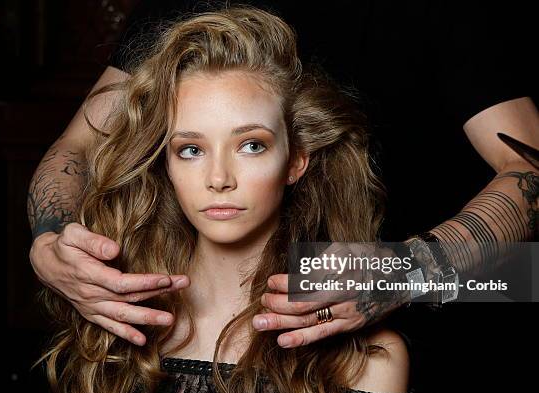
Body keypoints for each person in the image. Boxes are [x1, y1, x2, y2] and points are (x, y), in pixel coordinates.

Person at [28, 0, 538, 350]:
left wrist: (410, 270)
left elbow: (532, 165)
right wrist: (50, 238)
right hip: (241, 314)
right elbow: (79, 143)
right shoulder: (182, 7)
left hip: (458, 307)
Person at [33, 6, 422, 393]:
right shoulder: (114, 330)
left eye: (251, 145)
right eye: (190, 150)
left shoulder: (366, 359)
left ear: (295, 162)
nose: (219, 178)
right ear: (164, 164)